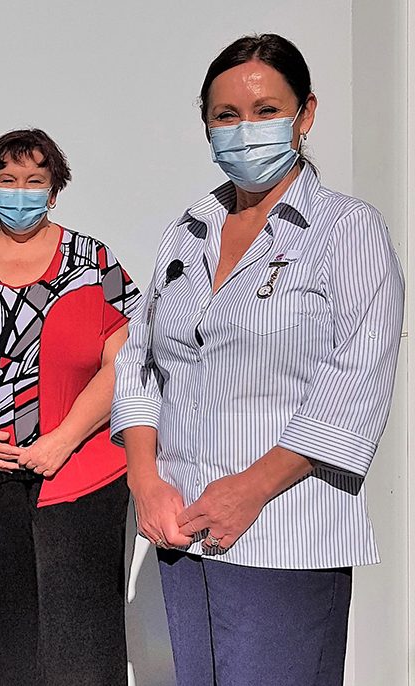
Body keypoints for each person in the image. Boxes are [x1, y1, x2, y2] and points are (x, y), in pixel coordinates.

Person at [111, 34, 403, 686]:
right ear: (206, 125)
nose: (246, 131)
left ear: (306, 115)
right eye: (226, 116)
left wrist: (250, 490)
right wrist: (144, 477)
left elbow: (356, 383)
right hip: (181, 530)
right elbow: (138, 359)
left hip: (284, 536)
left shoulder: (347, 232)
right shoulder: (190, 229)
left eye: (267, 110)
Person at [0, 129, 139, 685]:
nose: (20, 192)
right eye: (7, 180)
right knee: (9, 626)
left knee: (83, 631)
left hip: (76, 471)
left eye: (35, 180)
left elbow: (121, 364)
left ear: (54, 190)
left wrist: (60, 442)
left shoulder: (93, 261)